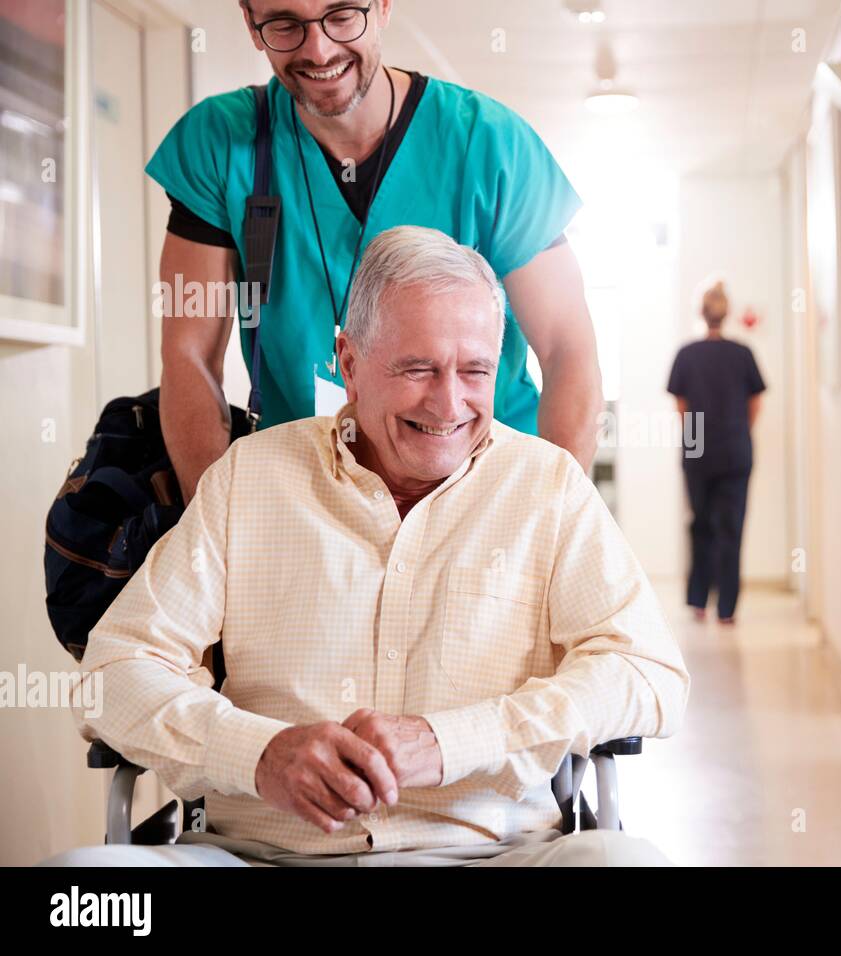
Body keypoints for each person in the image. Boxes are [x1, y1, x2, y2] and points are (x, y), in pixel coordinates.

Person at [41, 226, 688, 867]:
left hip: (494, 853)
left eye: (475, 370)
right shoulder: (251, 477)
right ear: (349, 364)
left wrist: (450, 741)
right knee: (84, 888)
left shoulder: (547, 488)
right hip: (258, 852)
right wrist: (258, 753)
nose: (449, 402)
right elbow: (114, 674)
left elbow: (648, 674)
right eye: (418, 368)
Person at [152, 0, 601, 503]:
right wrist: (217, 525)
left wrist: (558, 523)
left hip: (484, 489)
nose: (319, 50)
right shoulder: (220, 143)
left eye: (342, 15)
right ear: (251, 24)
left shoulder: (489, 145)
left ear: (383, 5)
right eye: (284, 25)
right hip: (307, 492)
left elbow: (568, 349)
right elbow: (188, 354)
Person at [666, 281, 766, 626]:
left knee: (700, 523)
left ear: (701, 312)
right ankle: (727, 608)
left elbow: (682, 406)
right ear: (727, 312)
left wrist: (697, 437)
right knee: (732, 528)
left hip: (698, 450)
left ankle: (698, 601)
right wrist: (739, 432)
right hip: (736, 449)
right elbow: (755, 403)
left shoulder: (687, 354)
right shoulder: (743, 354)